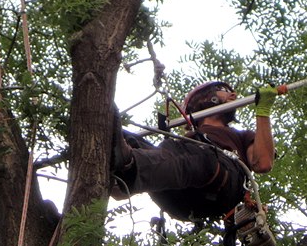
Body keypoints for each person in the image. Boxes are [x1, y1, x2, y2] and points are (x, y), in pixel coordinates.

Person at [111, 81, 277, 221]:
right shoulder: (183, 145)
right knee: (139, 144)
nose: (234, 95)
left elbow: (263, 163)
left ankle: (130, 166)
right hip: (180, 198)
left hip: (221, 180)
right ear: (205, 98)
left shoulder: (239, 136)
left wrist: (263, 111)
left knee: (197, 155)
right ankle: (117, 171)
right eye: (226, 91)